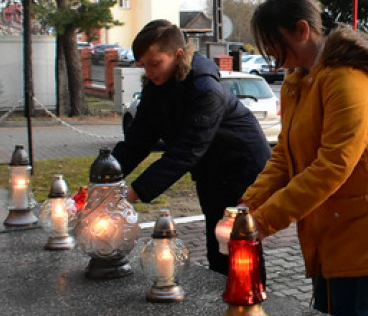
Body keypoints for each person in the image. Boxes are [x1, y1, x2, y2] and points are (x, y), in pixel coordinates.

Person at [240, 0, 368, 316]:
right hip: (329, 225)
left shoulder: (348, 80)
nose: (271, 53)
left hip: (360, 227)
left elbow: (332, 166)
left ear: (303, 30)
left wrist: (262, 222)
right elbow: (286, 157)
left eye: (275, 42)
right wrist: (246, 207)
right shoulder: (298, 79)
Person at [112, 20, 271, 274]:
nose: (150, 72)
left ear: (177, 55)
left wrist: (134, 193)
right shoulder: (157, 87)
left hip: (242, 166)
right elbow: (139, 138)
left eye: (155, 64)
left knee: (238, 243)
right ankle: (224, 297)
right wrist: (106, 176)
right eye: (144, 65)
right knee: (216, 244)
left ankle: (250, 302)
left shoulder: (205, 89)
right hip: (211, 169)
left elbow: (186, 151)